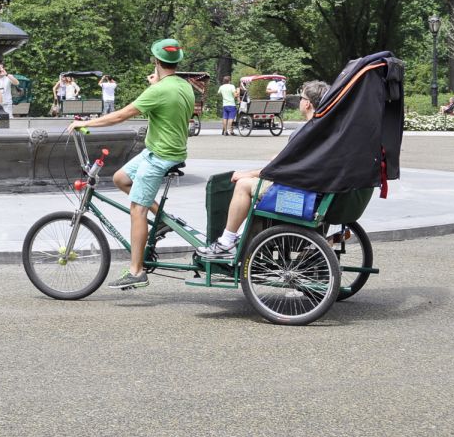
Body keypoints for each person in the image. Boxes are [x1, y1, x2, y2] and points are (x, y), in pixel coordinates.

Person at [68, 38, 194, 290]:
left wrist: (85, 124)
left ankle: (137, 271)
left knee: (138, 210)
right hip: (166, 151)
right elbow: (168, 101)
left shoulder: (158, 91)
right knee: (120, 178)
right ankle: (163, 220)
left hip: (160, 156)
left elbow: (121, 115)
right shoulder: (183, 85)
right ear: (176, 63)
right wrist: (157, 83)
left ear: (156, 62)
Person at [197, 80, 330, 259]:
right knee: (251, 180)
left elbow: (278, 168)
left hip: (297, 194)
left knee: (243, 185)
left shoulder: (306, 130)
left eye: (301, 97)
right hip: (311, 188)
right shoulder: (324, 128)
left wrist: (247, 174)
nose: (300, 101)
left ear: (307, 103)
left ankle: (226, 242)